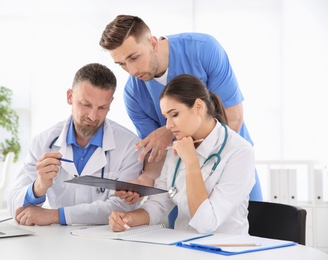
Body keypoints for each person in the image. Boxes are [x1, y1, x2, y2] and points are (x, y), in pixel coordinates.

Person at [99, 14, 262, 203]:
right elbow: (157, 153)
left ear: (153, 43)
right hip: (181, 180)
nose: (132, 71)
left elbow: (233, 118)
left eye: (134, 57)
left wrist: (169, 132)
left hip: (230, 164)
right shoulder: (133, 94)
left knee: (251, 229)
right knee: (184, 230)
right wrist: (145, 180)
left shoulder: (203, 50)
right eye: (122, 65)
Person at [108, 74, 255, 234]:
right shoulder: (176, 148)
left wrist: (191, 161)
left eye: (175, 114)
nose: (169, 126)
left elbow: (206, 223)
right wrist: (128, 219)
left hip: (225, 250)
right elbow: (158, 204)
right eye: (166, 117)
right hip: (184, 247)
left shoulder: (239, 152)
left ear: (198, 107)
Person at [8, 63, 143, 226]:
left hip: (106, 242)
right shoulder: (43, 142)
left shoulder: (130, 145)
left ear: (111, 102)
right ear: (70, 97)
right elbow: (14, 205)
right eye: (86, 105)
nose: (93, 116)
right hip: (57, 241)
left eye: (102, 107)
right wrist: (39, 186)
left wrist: (55, 215)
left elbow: (123, 207)